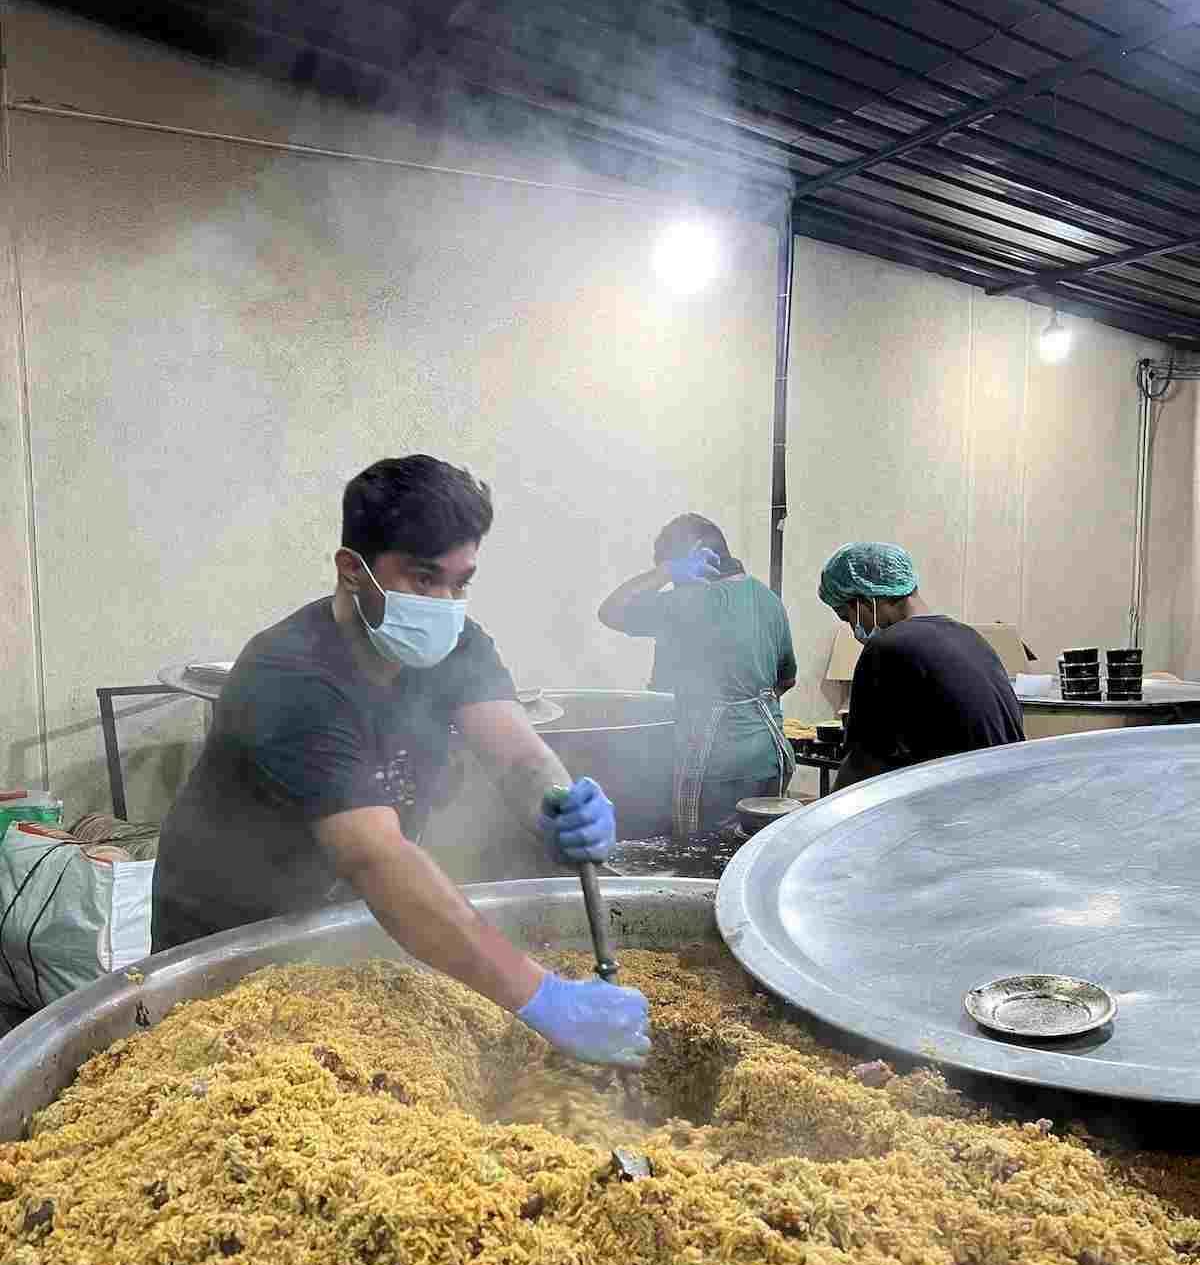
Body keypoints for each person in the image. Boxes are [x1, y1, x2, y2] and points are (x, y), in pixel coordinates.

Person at [152, 456, 648, 1068]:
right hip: (229, 935)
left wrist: (555, 802)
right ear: (351, 569)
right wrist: (541, 997)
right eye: (423, 579)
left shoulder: (458, 645)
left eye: (460, 583)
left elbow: (519, 753)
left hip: (344, 917)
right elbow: (377, 857)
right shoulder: (290, 676)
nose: (444, 603)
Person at [598, 514, 796, 836]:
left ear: (696, 554)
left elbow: (610, 611)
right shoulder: (769, 599)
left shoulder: (684, 603)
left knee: (704, 854)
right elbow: (786, 680)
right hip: (770, 755)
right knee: (755, 846)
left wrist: (663, 573)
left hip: (711, 764)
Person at [817, 541, 1024, 790]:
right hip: (1007, 793)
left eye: (846, 617)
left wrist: (825, 810)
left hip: (961, 800)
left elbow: (862, 764)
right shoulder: (970, 637)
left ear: (864, 601)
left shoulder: (887, 647)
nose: (853, 629)